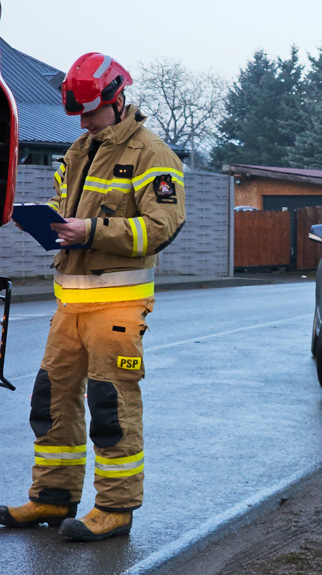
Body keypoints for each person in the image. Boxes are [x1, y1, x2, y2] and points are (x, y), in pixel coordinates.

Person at [0, 53, 186, 541]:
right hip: (71, 303)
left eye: (89, 112)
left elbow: (163, 227)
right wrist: (54, 226)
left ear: (117, 99)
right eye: (77, 115)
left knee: (111, 406)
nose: (81, 122)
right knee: (51, 402)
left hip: (118, 306)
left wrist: (92, 230)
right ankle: (52, 499)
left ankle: (116, 509)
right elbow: (71, 215)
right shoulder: (81, 149)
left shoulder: (153, 155)